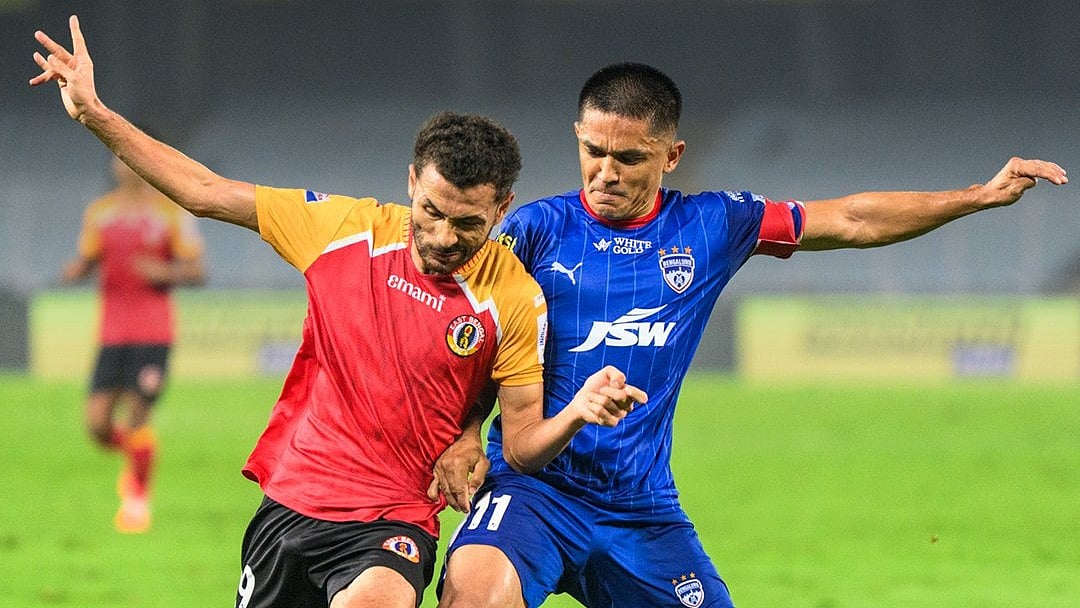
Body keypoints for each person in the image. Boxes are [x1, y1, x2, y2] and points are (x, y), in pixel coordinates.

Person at [30, 17, 647, 608]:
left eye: (467, 224)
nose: (442, 237)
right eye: (431, 212)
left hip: (394, 518)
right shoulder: (345, 231)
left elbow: (520, 444)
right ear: (412, 182)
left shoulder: (513, 296)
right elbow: (206, 192)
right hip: (292, 500)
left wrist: (572, 414)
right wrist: (96, 114)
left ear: (502, 208)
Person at [436, 62, 1069, 608]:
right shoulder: (533, 231)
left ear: (671, 156)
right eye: (593, 151)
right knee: (475, 593)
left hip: (639, 506)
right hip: (535, 489)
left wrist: (977, 196)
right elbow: (472, 342)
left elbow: (851, 219)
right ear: (578, 135)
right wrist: (466, 433)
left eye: (629, 158)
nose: (605, 172)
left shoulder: (714, 225)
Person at [61, 151, 206, 534]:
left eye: (132, 155)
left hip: (154, 333)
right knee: (97, 425)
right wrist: (77, 270)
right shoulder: (100, 212)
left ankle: (136, 502)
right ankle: (140, 455)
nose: (125, 164)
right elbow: (89, 258)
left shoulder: (172, 212)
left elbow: (197, 270)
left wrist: (164, 271)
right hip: (111, 333)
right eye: (119, 157)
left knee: (137, 415)